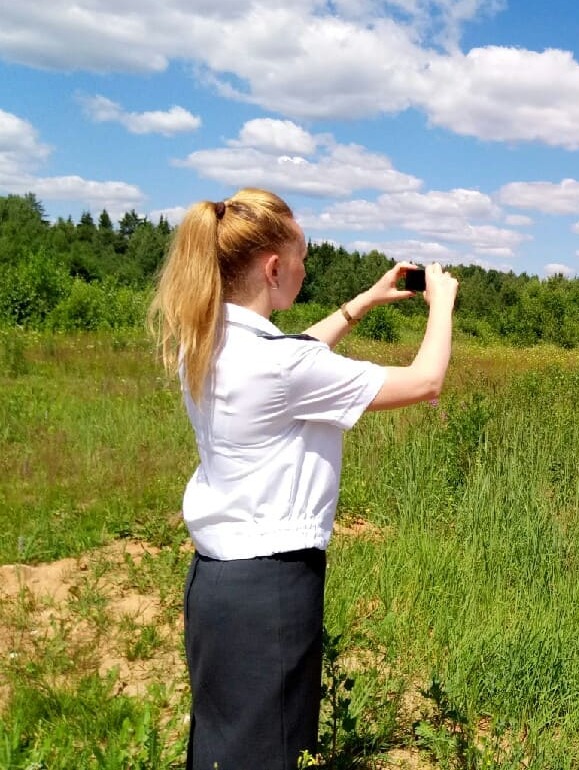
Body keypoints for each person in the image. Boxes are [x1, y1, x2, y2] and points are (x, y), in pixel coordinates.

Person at [148, 187, 457, 769]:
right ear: (273, 269)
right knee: (270, 752)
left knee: (223, 745)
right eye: (303, 258)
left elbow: (295, 354)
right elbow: (425, 382)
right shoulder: (280, 366)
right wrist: (441, 303)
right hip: (271, 589)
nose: (305, 269)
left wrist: (362, 303)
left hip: (215, 584)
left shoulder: (207, 339)